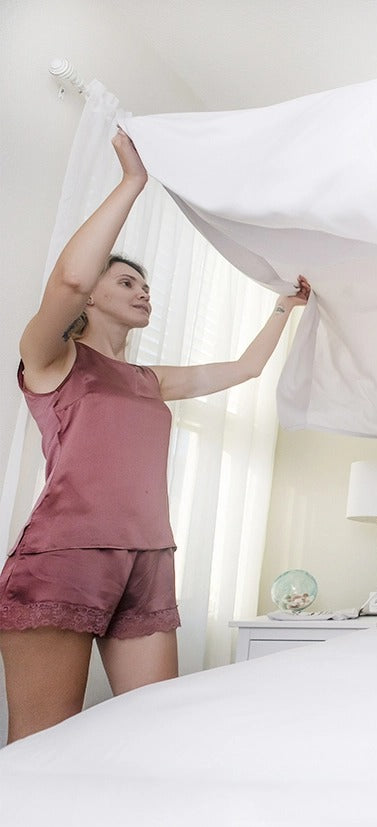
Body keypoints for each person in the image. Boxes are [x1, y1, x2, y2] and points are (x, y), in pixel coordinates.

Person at [0, 128, 311, 743]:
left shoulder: (148, 380)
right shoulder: (50, 358)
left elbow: (244, 369)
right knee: (41, 745)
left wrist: (284, 306)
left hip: (149, 559)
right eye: (125, 282)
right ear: (91, 295)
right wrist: (133, 183)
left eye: (146, 286)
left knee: (155, 735)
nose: (143, 291)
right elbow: (65, 282)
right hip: (64, 558)